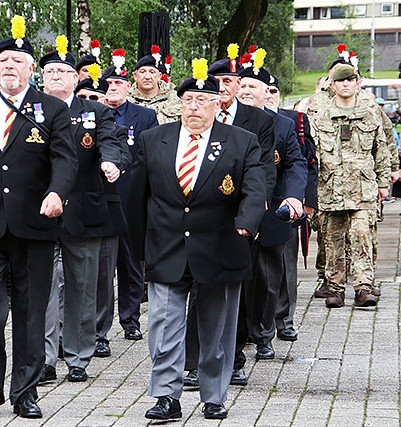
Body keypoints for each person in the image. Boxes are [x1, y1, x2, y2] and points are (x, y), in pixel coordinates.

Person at [128, 60, 266, 421]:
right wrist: (138, 244)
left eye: (202, 101)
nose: (193, 107)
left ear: (218, 104)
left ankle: (213, 396)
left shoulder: (241, 142)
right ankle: (165, 397)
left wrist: (246, 224)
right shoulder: (153, 139)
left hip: (220, 247)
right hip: (166, 247)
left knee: (216, 330)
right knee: (163, 327)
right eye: (188, 100)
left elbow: (254, 189)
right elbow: (137, 195)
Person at [0, 17, 77, 419]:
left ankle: (25, 391)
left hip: (35, 226)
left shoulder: (52, 110)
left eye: (18, 61)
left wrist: (57, 192)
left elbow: (65, 158)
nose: (9, 66)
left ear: (30, 70)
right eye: (3, 60)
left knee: (30, 310)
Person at [183, 47, 276, 388]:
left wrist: (253, 210)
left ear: (238, 85)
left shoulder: (259, 121)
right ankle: (194, 363)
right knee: (198, 288)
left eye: (228, 81)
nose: (222, 88)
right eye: (217, 82)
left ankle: (234, 357)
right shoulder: (194, 116)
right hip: (199, 217)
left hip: (238, 218)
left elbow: (263, 169)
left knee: (235, 290)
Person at [39, 38, 122, 384]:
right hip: (39, 212)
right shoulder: (30, 109)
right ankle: (43, 357)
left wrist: (111, 162)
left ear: (76, 78)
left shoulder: (95, 111)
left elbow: (112, 142)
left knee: (82, 289)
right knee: (40, 288)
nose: (55, 76)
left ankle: (77, 356)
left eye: (62, 71)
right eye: (49, 71)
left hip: (83, 213)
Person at [237, 60, 307, 360]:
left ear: (268, 92)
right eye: (242, 85)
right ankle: (238, 335)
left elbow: (295, 163)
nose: (246, 90)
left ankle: (264, 334)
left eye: (253, 86)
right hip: (235, 211)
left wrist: (293, 197)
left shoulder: (283, 125)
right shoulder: (227, 121)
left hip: (272, 209)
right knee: (239, 277)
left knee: (267, 280)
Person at [309, 63, 391, 308]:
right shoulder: (320, 115)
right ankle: (335, 288)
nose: (345, 84)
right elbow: (312, 155)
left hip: (363, 188)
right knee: (332, 240)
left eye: (350, 80)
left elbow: (381, 149)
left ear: (357, 83)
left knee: (361, 235)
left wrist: (384, 182)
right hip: (330, 188)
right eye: (340, 81)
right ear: (332, 85)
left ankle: (364, 287)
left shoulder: (370, 112)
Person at [96, 53, 158, 358]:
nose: (114, 88)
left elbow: (151, 159)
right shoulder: (94, 115)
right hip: (102, 200)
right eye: (110, 83)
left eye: (119, 83)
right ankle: (100, 328)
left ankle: (130, 320)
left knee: (132, 264)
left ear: (127, 86)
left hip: (132, 199)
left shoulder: (145, 117)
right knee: (104, 268)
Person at [72, 69, 132, 360]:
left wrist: (113, 165)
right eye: (83, 96)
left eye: (95, 97)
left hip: (104, 208)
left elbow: (121, 154)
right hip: (70, 208)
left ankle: (98, 333)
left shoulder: (112, 128)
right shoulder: (64, 125)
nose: (89, 102)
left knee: (102, 277)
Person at [266, 74, 319, 342]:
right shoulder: (244, 120)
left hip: (285, 202)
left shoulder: (293, 120)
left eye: (274, 90)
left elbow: (307, 162)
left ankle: (284, 320)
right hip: (256, 204)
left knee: (285, 266)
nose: (269, 94)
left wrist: (305, 201)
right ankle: (257, 324)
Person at [127, 45, 181, 124]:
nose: (147, 77)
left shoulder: (174, 98)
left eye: (152, 72)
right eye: (142, 72)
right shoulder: (126, 99)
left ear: (159, 76)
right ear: (135, 76)